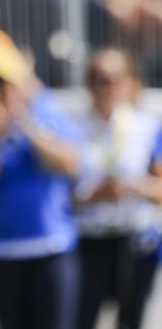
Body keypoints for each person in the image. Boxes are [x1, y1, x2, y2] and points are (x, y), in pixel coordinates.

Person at [0, 27, 83, 329]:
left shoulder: (45, 108)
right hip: (0, 251)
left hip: (52, 248)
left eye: (0, 83)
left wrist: (24, 124)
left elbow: (70, 163)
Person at [75, 48, 162, 329]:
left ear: (130, 82)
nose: (105, 88)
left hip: (134, 239)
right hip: (89, 239)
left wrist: (134, 187)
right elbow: (61, 195)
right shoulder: (74, 127)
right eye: (98, 79)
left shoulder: (147, 127)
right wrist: (94, 195)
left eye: (113, 79)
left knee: (131, 320)